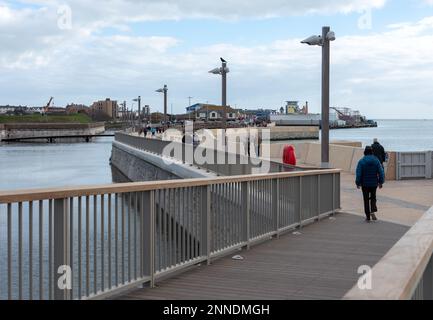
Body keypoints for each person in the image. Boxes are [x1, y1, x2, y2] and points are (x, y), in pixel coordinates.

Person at [356, 146, 385, 222]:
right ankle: (372, 210)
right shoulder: (376, 161)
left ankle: (368, 216)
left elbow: (358, 173)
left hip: (364, 184)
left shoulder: (361, 161)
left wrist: (357, 183)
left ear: (365, 152)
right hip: (373, 183)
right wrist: (380, 182)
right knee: (373, 197)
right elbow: (381, 172)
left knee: (365, 199)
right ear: (372, 152)